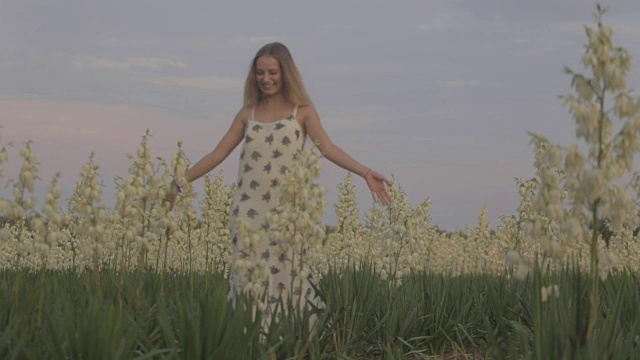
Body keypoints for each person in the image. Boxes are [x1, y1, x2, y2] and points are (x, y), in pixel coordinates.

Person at [176, 42, 391, 312]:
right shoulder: (247, 114)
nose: (265, 79)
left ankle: (292, 341)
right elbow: (217, 154)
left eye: (272, 73)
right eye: (260, 73)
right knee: (248, 278)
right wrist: (178, 182)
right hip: (248, 213)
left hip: (288, 212)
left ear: (286, 73)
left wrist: (366, 172)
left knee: (290, 276)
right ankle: (249, 340)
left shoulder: (302, 112)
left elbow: (328, 148)